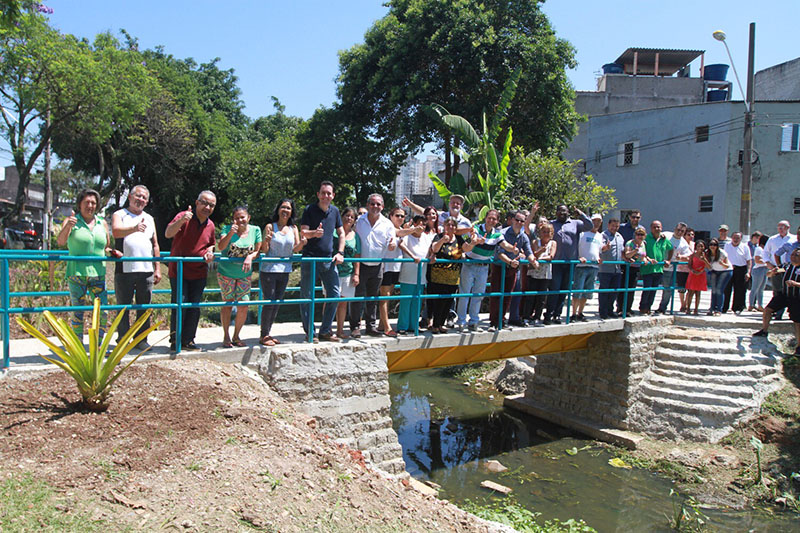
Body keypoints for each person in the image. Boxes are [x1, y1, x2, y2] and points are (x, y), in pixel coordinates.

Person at [57, 188, 118, 341]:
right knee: (78, 311)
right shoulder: (71, 221)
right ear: (80, 204)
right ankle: (78, 346)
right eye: (87, 202)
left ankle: (98, 343)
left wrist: (112, 252)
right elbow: (60, 242)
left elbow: (105, 246)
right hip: (77, 274)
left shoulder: (102, 223)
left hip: (98, 274)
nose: (90, 205)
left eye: (93, 203)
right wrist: (68, 227)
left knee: (102, 310)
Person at [165, 191, 216, 351]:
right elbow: (168, 234)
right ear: (197, 202)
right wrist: (181, 220)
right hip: (179, 271)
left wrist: (210, 251)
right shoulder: (184, 216)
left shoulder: (211, 225)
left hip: (199, 272)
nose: (207, 207)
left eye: (211, 205)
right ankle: (175, 341)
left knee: (194, 307)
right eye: (204, 203)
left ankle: (188, 340)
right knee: (180, 305)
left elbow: (211, 244)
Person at [111, 185, 161, 350]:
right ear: (130, 197)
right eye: (138, 196)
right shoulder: (120, 214)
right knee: (123, 306)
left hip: (146, 269)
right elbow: (116, 232)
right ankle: (123, 340)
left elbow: (155, 244)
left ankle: (141, 339)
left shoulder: (149, 218)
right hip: (124, 269)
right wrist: (134, 229)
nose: (141, 200)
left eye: (144, 198)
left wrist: (158, 267)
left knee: (144, 307)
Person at [299, 181, 345, 342]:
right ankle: (310, 332)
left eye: (329, 193)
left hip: (328, 260)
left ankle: (325, 330)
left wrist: (340, 252)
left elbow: (342, 233)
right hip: (310, 259)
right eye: (323, 193)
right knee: (307, 296)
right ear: (318, 194)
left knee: (334, 294)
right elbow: (303, 233)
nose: (326, 196)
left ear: (333, 196)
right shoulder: (309, 210)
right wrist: (314, 233)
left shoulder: (335, 211)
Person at [259, 199, 304, 347]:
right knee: (269, 302)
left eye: (289, 208)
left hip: (285, 270)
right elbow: (264, 250)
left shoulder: (293, 228)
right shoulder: (270, 226)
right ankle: (264, 334)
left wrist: (303, 242)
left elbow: (296, 248)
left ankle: (268, 332)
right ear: (278, 209)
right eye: (283, 207)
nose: (285, 210)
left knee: (277, 303)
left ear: (292, 212)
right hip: (269, 270)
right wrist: (266, 240)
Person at [350, 194, 395, 338]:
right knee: (358, 297)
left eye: (378, 204)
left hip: (377, 266)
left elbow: (392, 241)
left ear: (382, 206)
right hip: (361, 265)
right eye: (373, 204)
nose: (375, 207)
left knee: (373, 298)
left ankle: (371, 326)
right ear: (368, 205)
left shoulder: (387, 224)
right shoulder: (359, 221)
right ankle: (355, 326)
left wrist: (392, 245)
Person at [216, 206, 262, 348]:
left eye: (242, 217)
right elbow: (221, 247)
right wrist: (230, 234)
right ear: (233, 220)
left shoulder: (255, 230)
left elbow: (258, 250)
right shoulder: (226, 228)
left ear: (248, 218)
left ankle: (236, 335)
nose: (240, 220)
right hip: (226, 273)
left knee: (244, 305)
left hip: (244, 274)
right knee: (228, 304)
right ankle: (226, 336)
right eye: (236, 218)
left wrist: (250, 256)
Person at [456, 209, 508, 332]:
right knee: (464, 293)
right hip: (470, 264)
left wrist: (514, 250)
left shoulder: (497, 234)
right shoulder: (475, 229)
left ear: (497, 221)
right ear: (485, 218)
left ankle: (474, 322)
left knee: (478, 295)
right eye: (489, 218)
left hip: (484, 267)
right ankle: (461, 322)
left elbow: (505, 245)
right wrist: (474, 242)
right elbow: (464, 243)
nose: (491, 220)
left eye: (494, 219)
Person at [544, 205, 593, 324]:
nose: (562, 213)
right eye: (560, 210)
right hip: (556, 262)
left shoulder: (575, 223)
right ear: (556, 212)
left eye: (564, 211)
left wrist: (581, 213)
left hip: (570, 263)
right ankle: (548, 315)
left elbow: (590, 226)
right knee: (554, 289)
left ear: (568, 212)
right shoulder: (552, 224)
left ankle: (557, 315)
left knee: (564, 290)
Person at [490, 210, 537, 329]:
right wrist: (510, 261)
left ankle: (501, 321)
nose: (519, 222)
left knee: (508, 296)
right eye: (517, 220)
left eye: (522, 221)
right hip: (500, 267)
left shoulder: (524, 236)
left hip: (512, 269)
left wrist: (534, 261)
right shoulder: (502, 233)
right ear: (512, 220)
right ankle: (493, 322)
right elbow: (500, 253)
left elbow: (528, 252)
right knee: (496, 295)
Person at [428, 217, 475, 333]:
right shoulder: (439, 236)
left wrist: (473, 242)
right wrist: (442, 240)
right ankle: (435, 324)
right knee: (438, 301)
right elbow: (434, 248)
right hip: (438, 276)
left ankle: (441, 323)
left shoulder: (458, 239)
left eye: (453, 225)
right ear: (444, 226)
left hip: (453, 277)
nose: (451, 227)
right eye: (448, 224)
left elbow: (466, 248)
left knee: (448, 301)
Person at [754, 248, 800, 355]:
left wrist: (795, 283)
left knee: (797, 322)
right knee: (767, 310)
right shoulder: (786, 266)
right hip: (784, 294)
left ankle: (799, 346)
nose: (793, 257)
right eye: (792, 254)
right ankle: (764, 330)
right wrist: (772, 272)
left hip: (797, 297)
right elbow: (769, 274)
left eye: (796, 255)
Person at [397, 214, 436, 334]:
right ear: (414, 223)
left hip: (421, 275)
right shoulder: (407, 235)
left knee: (417, 302)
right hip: (408, 274)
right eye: (419, 223)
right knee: (406, 301)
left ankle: (414, 325)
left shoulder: (426, 237)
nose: (422, 226)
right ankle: (402, 326)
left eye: (424, 224)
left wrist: (432, 256)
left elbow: (432, 249)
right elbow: (400, 243)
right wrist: (413, 256)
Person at [571, 213, 607, 322]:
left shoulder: (600, 236)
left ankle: (580, 312)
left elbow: (599, 250)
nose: (596, 223)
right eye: (595, 221)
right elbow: (575, 247)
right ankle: (573, 314)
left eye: (599, 221)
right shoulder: (582, 234)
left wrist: (601, 256)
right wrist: (579, 257)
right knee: (578, 290)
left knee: (587, 292)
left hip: (594, 266)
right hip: (581, 266)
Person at [332, 207, 360, 340]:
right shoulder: (334, 233)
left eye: (352, 217)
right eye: (346, 215)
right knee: (330, 301)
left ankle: (340, 330)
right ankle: (326, 329)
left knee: (343, 303)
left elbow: (357, 256)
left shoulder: (355, 236)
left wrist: (356, 273)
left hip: (348, 272)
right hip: (333, 271)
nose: (349, 218)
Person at [523, 222, 557, 325]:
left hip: (545, 273)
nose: (546, 234)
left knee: (541, 297)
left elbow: (551, 256)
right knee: (531, 295)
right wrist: (539, 252)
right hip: (534, 272)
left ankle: (537, 317)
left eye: (548, 232)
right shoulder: (535, 242)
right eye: (544, 231)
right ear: (540, 232)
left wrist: (540, 258)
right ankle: (526, 316)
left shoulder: (553, 243)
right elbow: (532, 255)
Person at [764, 220, 796, 320]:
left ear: (788, 227)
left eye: (783, 227)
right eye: (779, 227)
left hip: (791, 269)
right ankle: (778, 313)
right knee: (777, 290)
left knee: (791, 291)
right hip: (777, 268)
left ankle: (792, 312)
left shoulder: (793, 239)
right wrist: (768, 263)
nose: (780, 229)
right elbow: (765, 252)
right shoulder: (772, 239)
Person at [656, 223, 692, 314]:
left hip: (670, 269)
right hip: (657, 265)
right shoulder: (666, 235)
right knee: (651, 287)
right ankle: (645, 307)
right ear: (675, 228)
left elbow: (688, 256)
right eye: (678, 230)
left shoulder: (683, 243)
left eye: (682, 231)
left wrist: (681, 257)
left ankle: (662, 308)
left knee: (667, 289)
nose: (679, 232)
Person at [639, 220, 673, 315]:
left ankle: (648, 307)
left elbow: (671, 249)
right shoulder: (646, 238)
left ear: (661, 228)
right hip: (648, 269)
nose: (657, 229)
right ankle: (643, 307)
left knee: (653, 290)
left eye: (658, 227)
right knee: (647, 289)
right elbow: (641, 250)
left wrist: (668, 260)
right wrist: (647, 258)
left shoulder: (664, 239)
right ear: (651, 228)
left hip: (659, 269)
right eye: (654, 227)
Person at [616, 210, 645, 315]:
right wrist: (625, 257)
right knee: (622, 287)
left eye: (637, 217)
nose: (635, 219)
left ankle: (628, 308)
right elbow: (619, 245)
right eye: (633, 217)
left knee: (632, 288)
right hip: (624, 263)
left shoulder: (641, 229)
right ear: (629, 217)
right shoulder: (622, 228)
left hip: (635, 265)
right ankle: (620, 308)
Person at [598, 217, 624, 319]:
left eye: (617, 226)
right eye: (613, 226)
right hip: (605, 269)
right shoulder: (603, 236)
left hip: (617, 269)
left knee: (614, 291)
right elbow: (600, 249)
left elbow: (622, 251)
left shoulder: (619, 237)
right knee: (604, 291)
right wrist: (606, 248)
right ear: (608, 225)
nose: (615, 228)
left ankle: (610, 310)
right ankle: (603, 312)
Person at [404, 194, 471, 234]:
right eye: (453, 202)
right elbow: (423, 211)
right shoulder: (441, 215)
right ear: (449, 204)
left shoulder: (466, 222)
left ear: (462, 206)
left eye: (458, 203)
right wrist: (410, 204)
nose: (455, 205)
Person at [723, 231, 752, 315]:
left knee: (740, 289)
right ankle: (724, 307)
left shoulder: (745, 247)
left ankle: (737, 308)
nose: (736, 239)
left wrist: (748, 272)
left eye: (738, 238)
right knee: (726, 289)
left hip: (741, 269)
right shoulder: (727, 245)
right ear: (731, 238)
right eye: (734, 237)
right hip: (729, 268)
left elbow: (749, 260)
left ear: (741, 239)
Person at [705, 238, 732, 316]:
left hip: (725, 271)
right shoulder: (707, 253)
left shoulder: (722, 253)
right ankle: (712, 308)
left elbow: (727, 266)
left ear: (717, 246)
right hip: (714, 271)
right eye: (711, 244)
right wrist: (704, 260)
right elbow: (708, 267)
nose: (712, 246)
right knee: (713, 290)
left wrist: (722, 263)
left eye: (715, 245)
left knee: (719, 290)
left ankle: (719, 310)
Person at [685, 240, 710, 315]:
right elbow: (689, 265)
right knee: (690, 292)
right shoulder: (692, 255)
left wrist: (704, 260)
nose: (700, 247)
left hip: (701, 274)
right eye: (698, 246)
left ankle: (696, 309)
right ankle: (688, 308)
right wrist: (692, 270)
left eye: (702, 246)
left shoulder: (706, 256)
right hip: (693, 274)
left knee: (698, 293)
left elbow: (709, 266)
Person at [749, 234, 769, 312]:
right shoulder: (759, 249)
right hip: (758, 269)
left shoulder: (765, 250)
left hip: (765, 269)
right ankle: (751, 305)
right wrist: (767, 261)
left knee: (761, 289)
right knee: (755, 288)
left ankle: (760, 305)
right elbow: (757, 260)